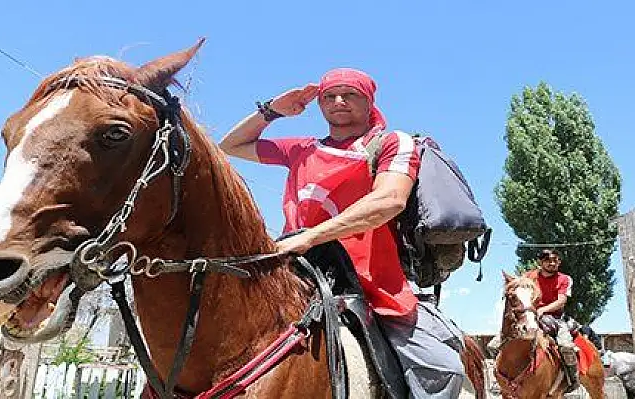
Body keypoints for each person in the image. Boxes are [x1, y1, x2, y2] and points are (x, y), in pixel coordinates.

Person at [219, 68, 466, 398]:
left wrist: (311, 236)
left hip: (371, 284)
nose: (338, 101)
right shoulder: (300, 149)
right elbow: (230, 145)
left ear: (368, 100)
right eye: (329, 96)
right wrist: (273, 110)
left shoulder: (391, 143)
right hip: (293, 273)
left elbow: (389, 200)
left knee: (441, 367)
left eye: (350, 94)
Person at [526, 249, 580, 391]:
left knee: (566, 347)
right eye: (548, 260)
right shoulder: (529, 277)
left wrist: (543, 309)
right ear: (540, 262)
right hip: (531, 317)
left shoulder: (565, 279)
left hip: (556, 318)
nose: (552, 263)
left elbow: (561, 301)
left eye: (555, 260)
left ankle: (572, 379)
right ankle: (500, 378)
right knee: (497, 343)